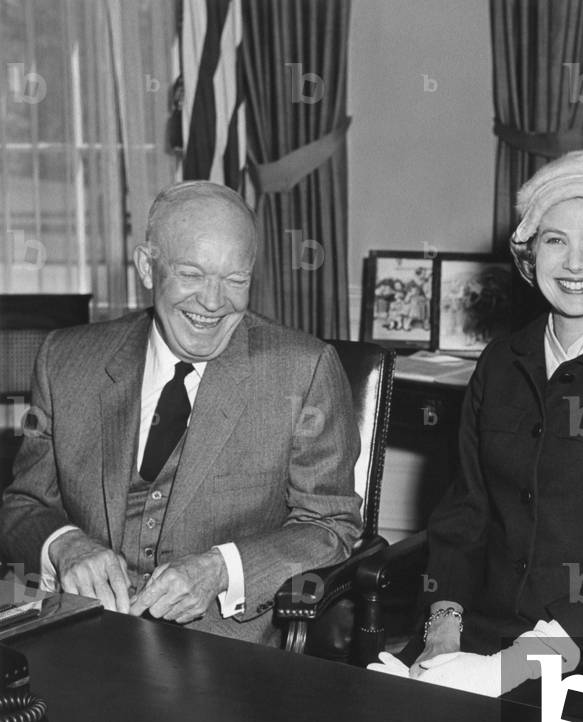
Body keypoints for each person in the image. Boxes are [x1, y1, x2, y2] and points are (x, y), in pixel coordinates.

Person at [370, 151, 583, 696]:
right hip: (477, 629)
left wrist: (510, 668)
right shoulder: (501, 362)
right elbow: (465, 515)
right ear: (530, 254)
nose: (575, 263)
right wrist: (442, 632)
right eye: (555, 240)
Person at [0, 181, 362, 645]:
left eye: (236, 280)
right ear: (147, 268)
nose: (213, 302)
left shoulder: (303, 370)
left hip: (222, 648)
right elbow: (23, 504)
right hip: (79, 635)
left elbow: (329, 525)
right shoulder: (65, 360)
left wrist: (221, 568)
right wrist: (64, 546)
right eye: (191, 274)